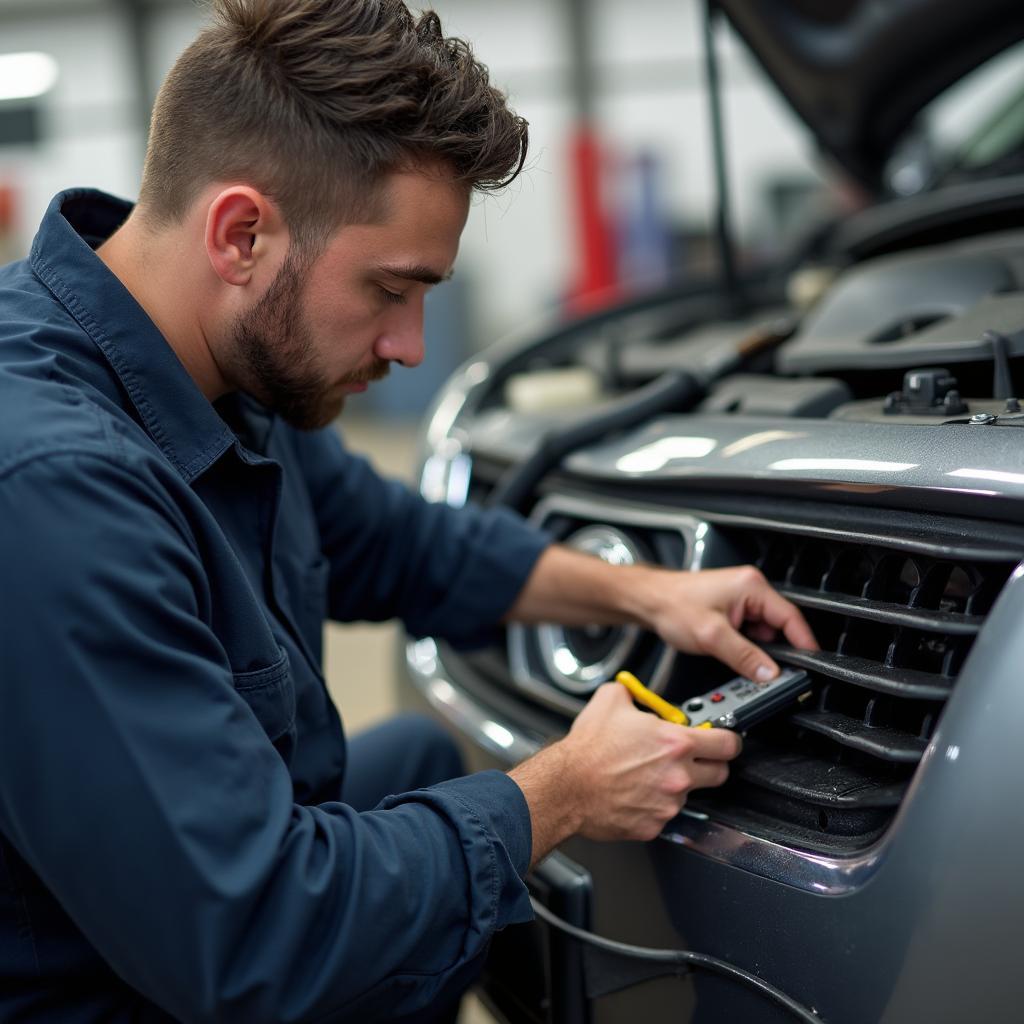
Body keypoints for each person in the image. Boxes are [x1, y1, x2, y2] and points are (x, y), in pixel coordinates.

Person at [0, 1, 817, 1020]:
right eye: (392, 289)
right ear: (241, 233)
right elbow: (252, 932)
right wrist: (561, 789)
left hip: (186, 913)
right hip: (111, 983)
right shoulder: (52, 488)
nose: (412, 345)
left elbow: (403, 546)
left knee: (421, 764)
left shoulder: (227, 372)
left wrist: (647, 592)